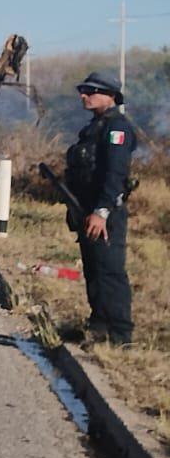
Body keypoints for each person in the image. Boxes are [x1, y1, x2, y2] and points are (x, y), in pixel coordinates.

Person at [64, 71, 136, 345]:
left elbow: (115, 174)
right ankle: (98, 325)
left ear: (110, 96)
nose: (84, 95)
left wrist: (102, 211)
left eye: (91, 90)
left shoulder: (116, 128)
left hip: (105, 213)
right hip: (87, 210)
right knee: (93, 269)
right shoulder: (94, 127)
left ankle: (120, 335)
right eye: (83, 89)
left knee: (110, 271)